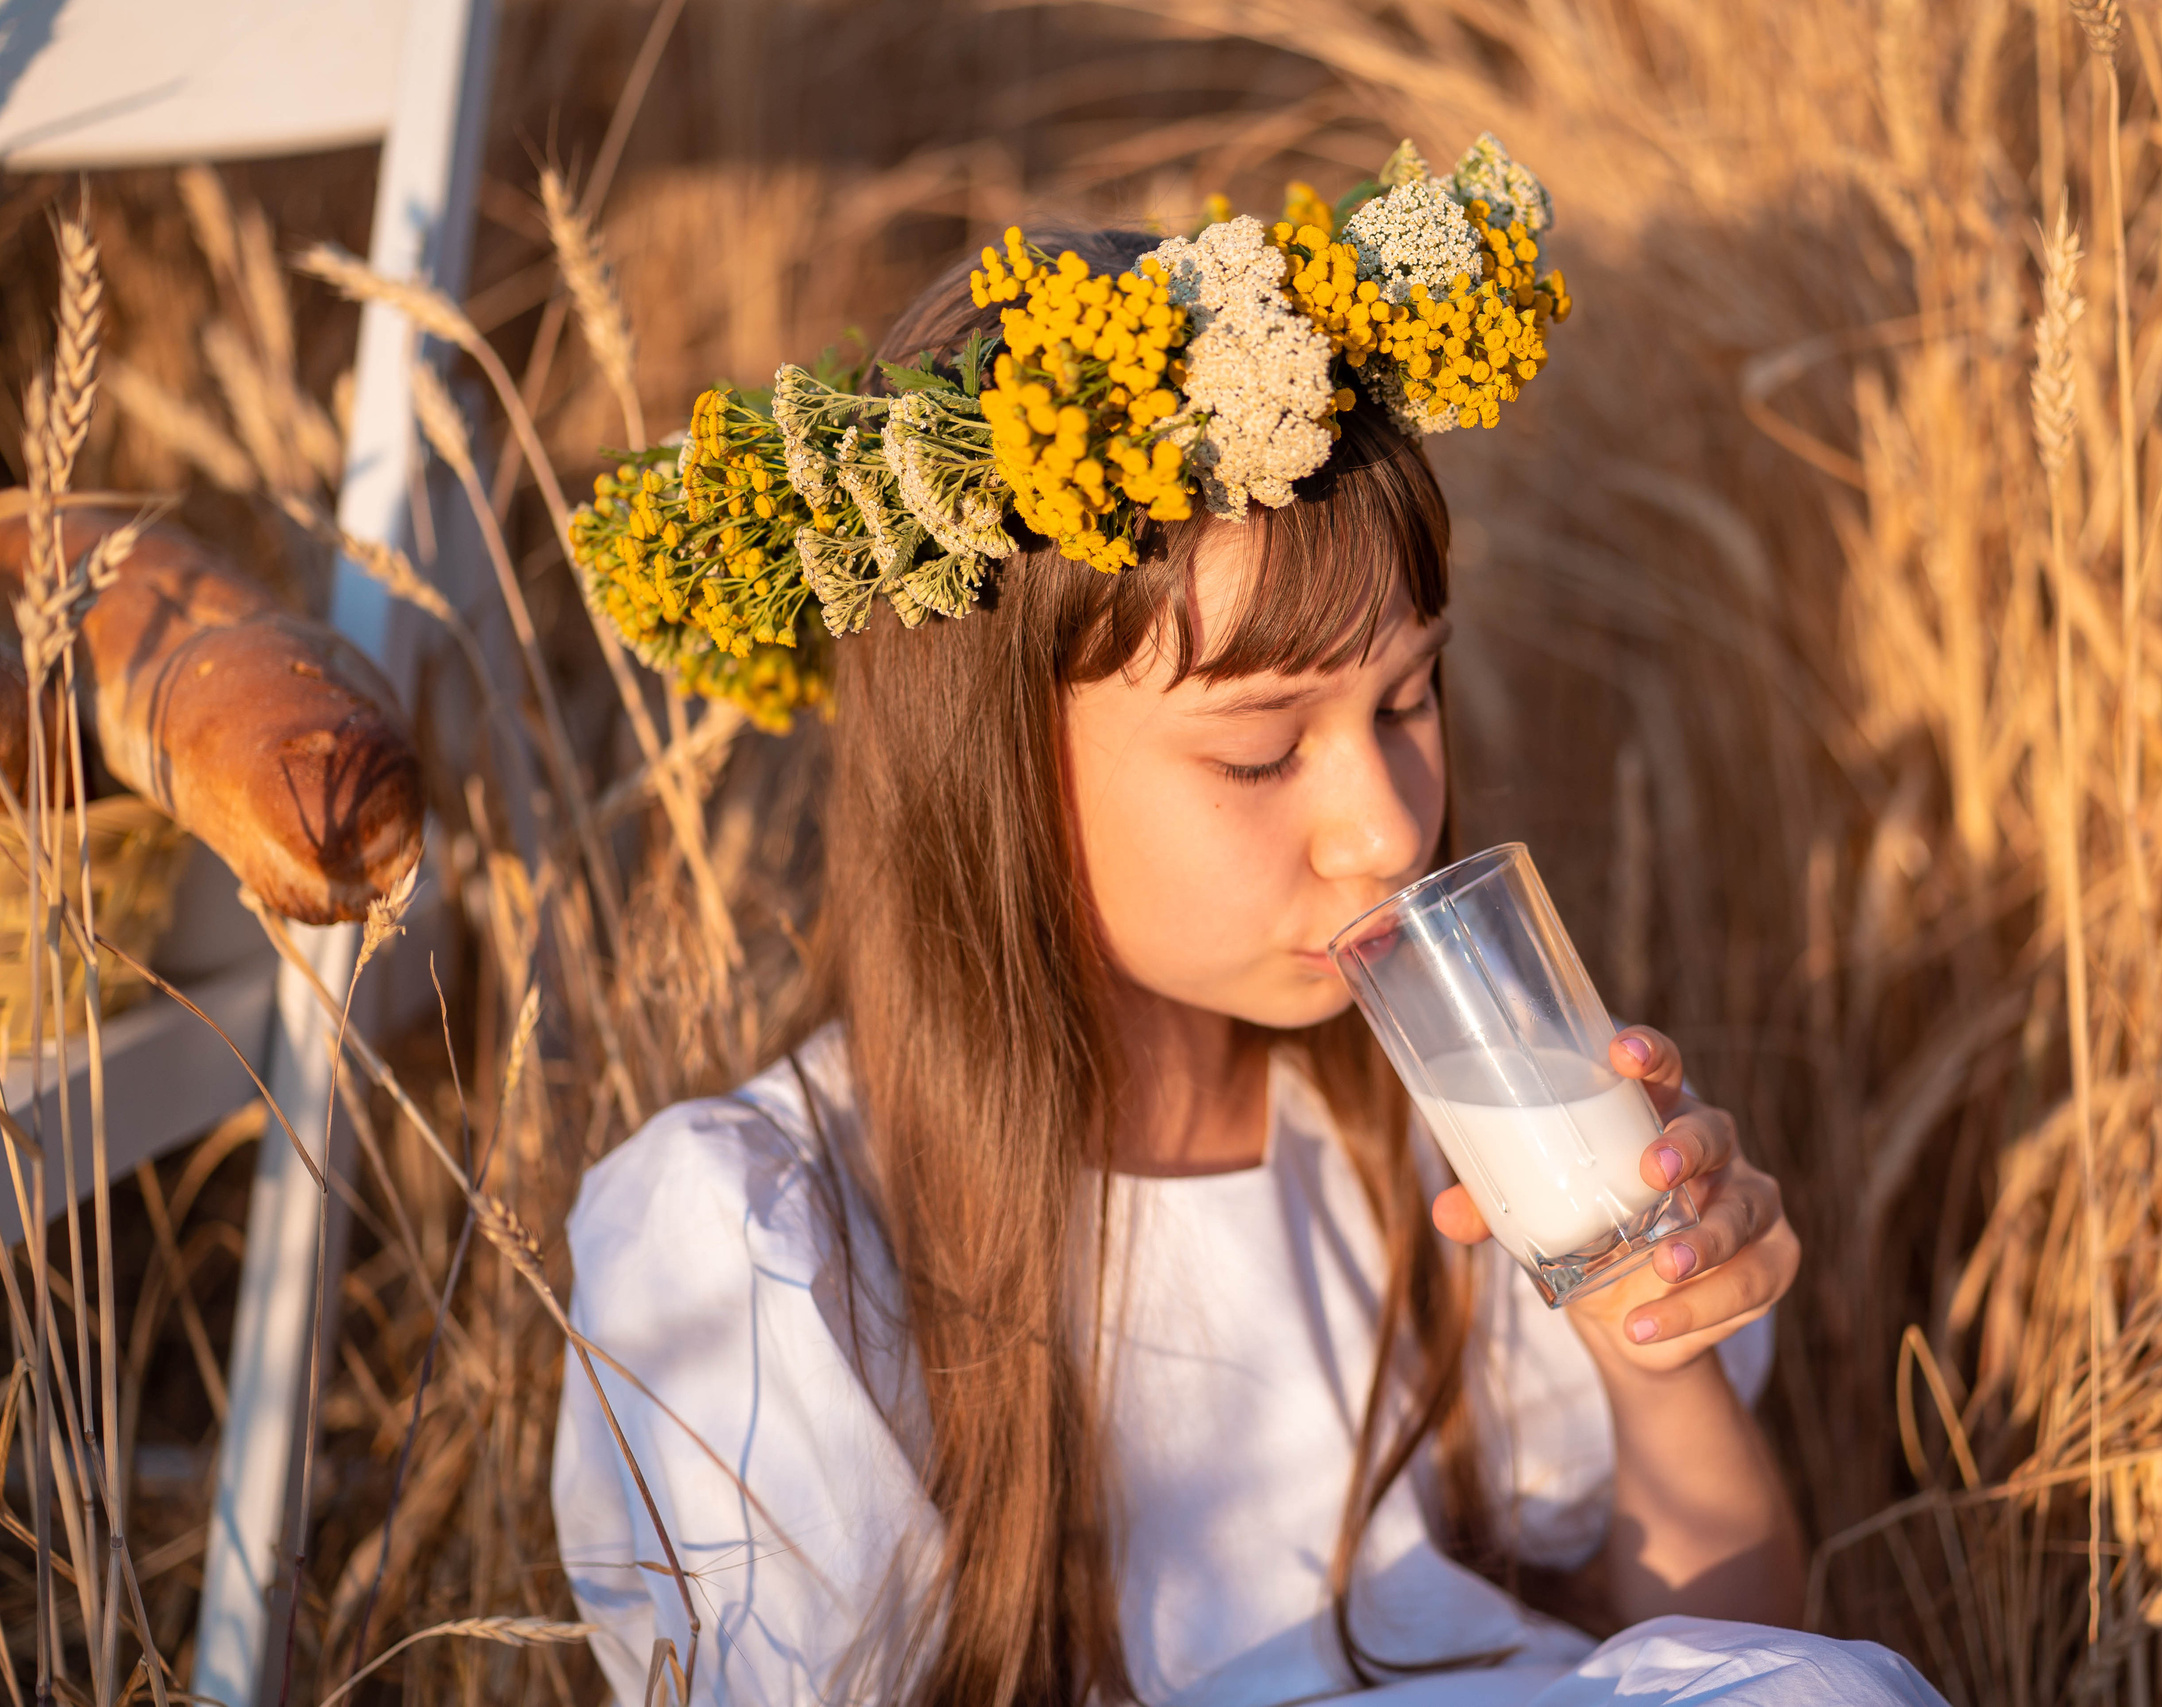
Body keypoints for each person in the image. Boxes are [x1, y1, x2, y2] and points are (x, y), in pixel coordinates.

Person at [552, 140, 1945, 1707]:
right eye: (1260, 752)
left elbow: (1726, 1638)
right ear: (995, 777)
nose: (1386, 825)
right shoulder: (768, 1253)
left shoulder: (1435, 1143)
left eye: (1409, 698)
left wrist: (1653, 1363)